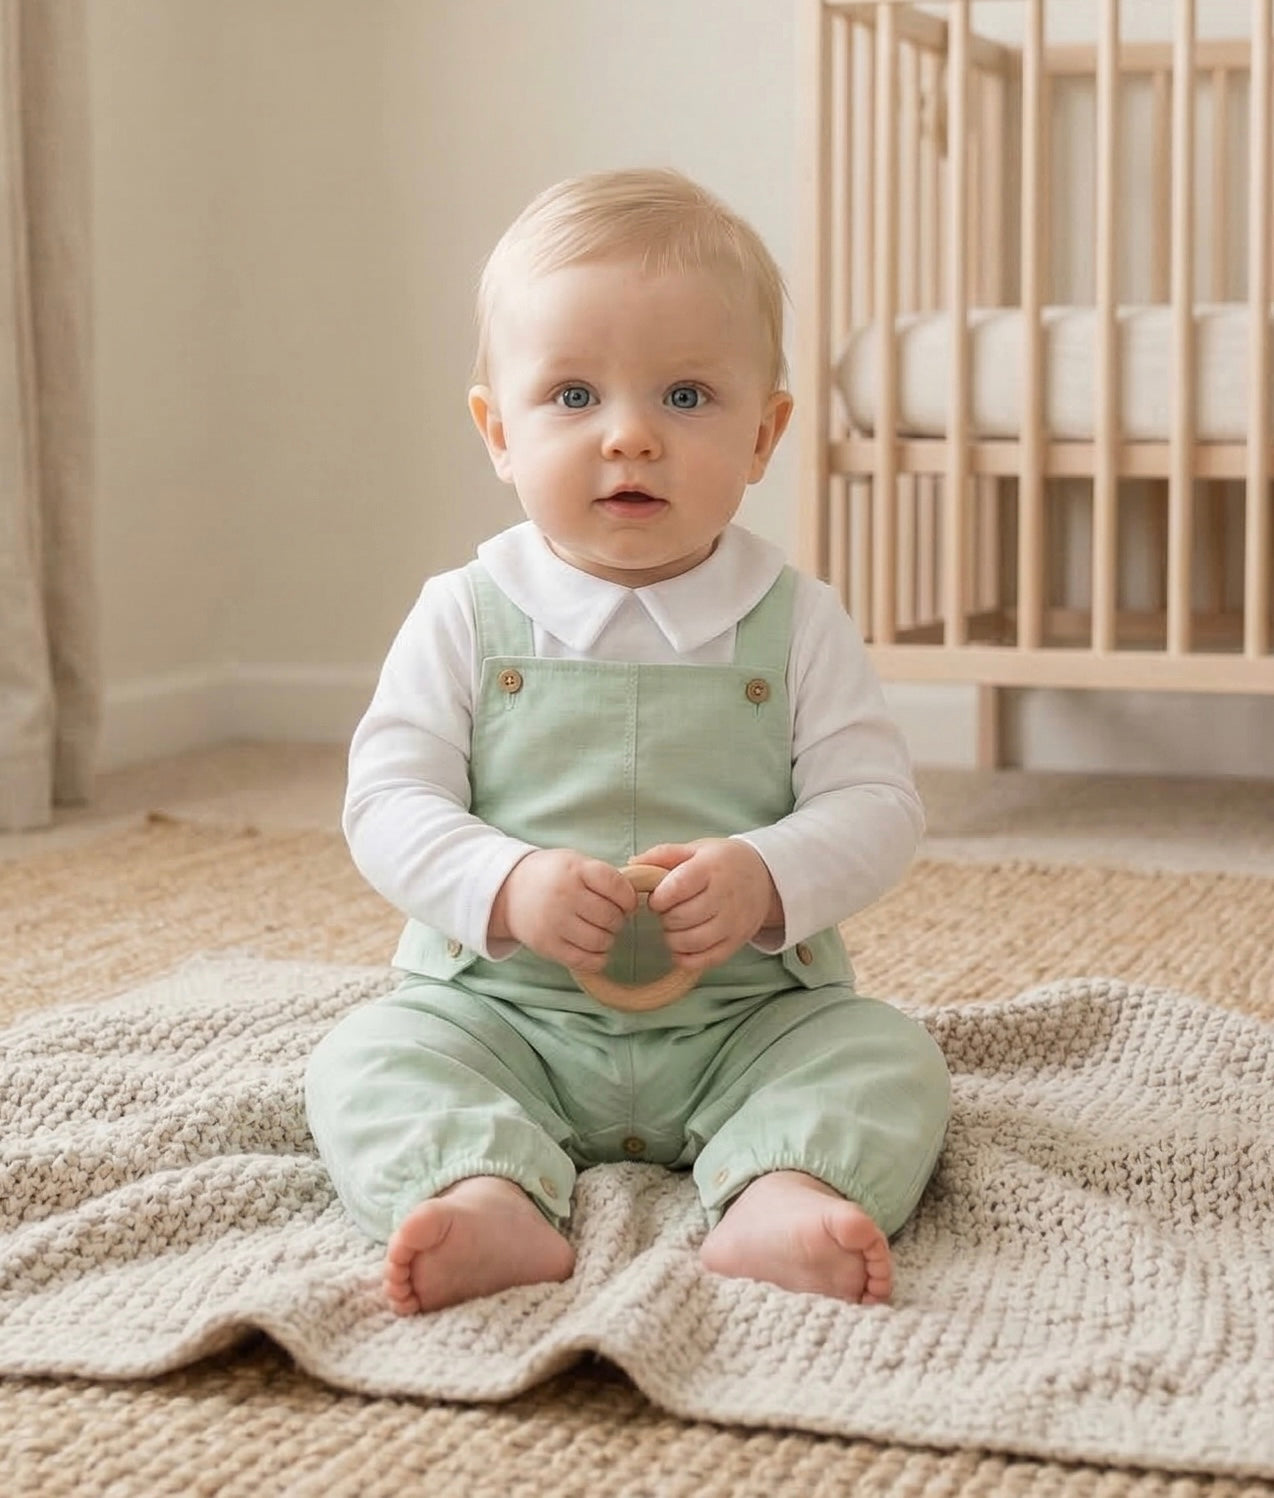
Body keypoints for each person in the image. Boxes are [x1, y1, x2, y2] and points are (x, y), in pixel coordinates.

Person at [305, 167, 950, 1316]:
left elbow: (875, 804)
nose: (631, 438)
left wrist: (766, 876)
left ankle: (783, 1187)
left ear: (765, 432)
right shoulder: (463, 611)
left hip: (746, 1017)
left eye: (688, 397)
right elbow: (387, 801)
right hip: (504, 1015)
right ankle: (477, 1188)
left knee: (885, 1056)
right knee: (365, 1058)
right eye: (570, 396)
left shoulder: (796, 619)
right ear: (496, 432)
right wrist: (504, 881)